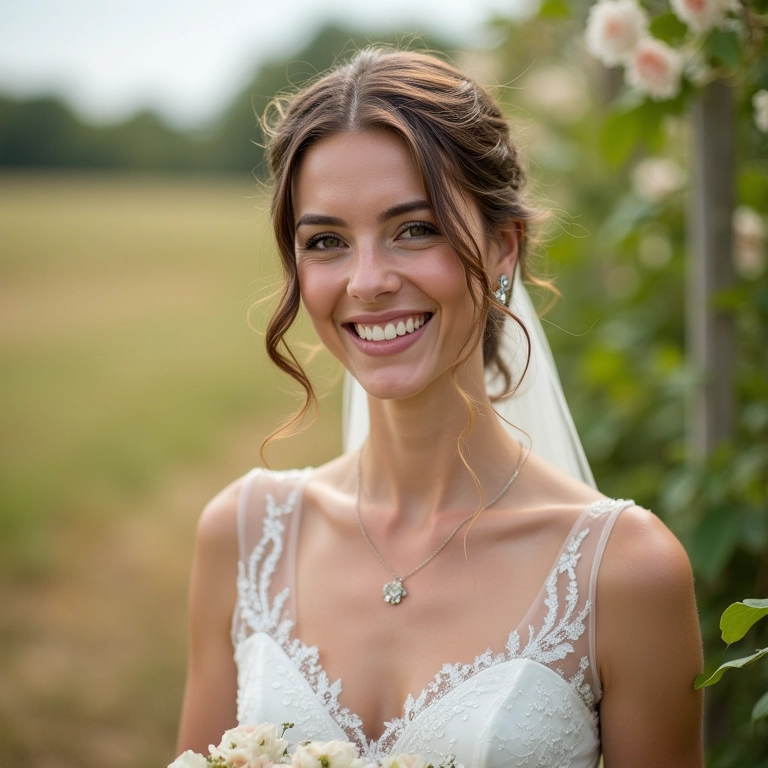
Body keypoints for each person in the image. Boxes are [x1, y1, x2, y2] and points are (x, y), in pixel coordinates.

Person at [176, 49, 704, 767]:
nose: (367, 282)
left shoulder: (628, 573)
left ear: (503, 247)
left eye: (414, 229)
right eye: (326, 241)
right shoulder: (241, 535)